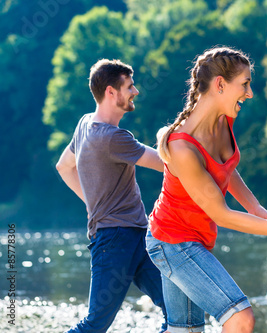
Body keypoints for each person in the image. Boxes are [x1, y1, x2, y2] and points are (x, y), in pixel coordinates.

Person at [146, 46, 267, 333]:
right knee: (240, 318)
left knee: (186, 332)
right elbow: (222, 215)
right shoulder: (182, 147)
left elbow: (224, 168)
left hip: (193, 239)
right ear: (220, 84)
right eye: (244, 84)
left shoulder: (223, 119)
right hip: (171, 242)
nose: (250, 93)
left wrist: (254, 206)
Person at [56, 59, 168, 333]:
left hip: (137, 235)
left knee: (178, 310)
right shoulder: (112, 137)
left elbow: (63, 166)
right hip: (115, 240)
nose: (136, 91)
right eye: (129, 86)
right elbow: (167, 163)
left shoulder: (85, 124)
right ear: (110, 92)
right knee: (95, 324)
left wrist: (92, 204)